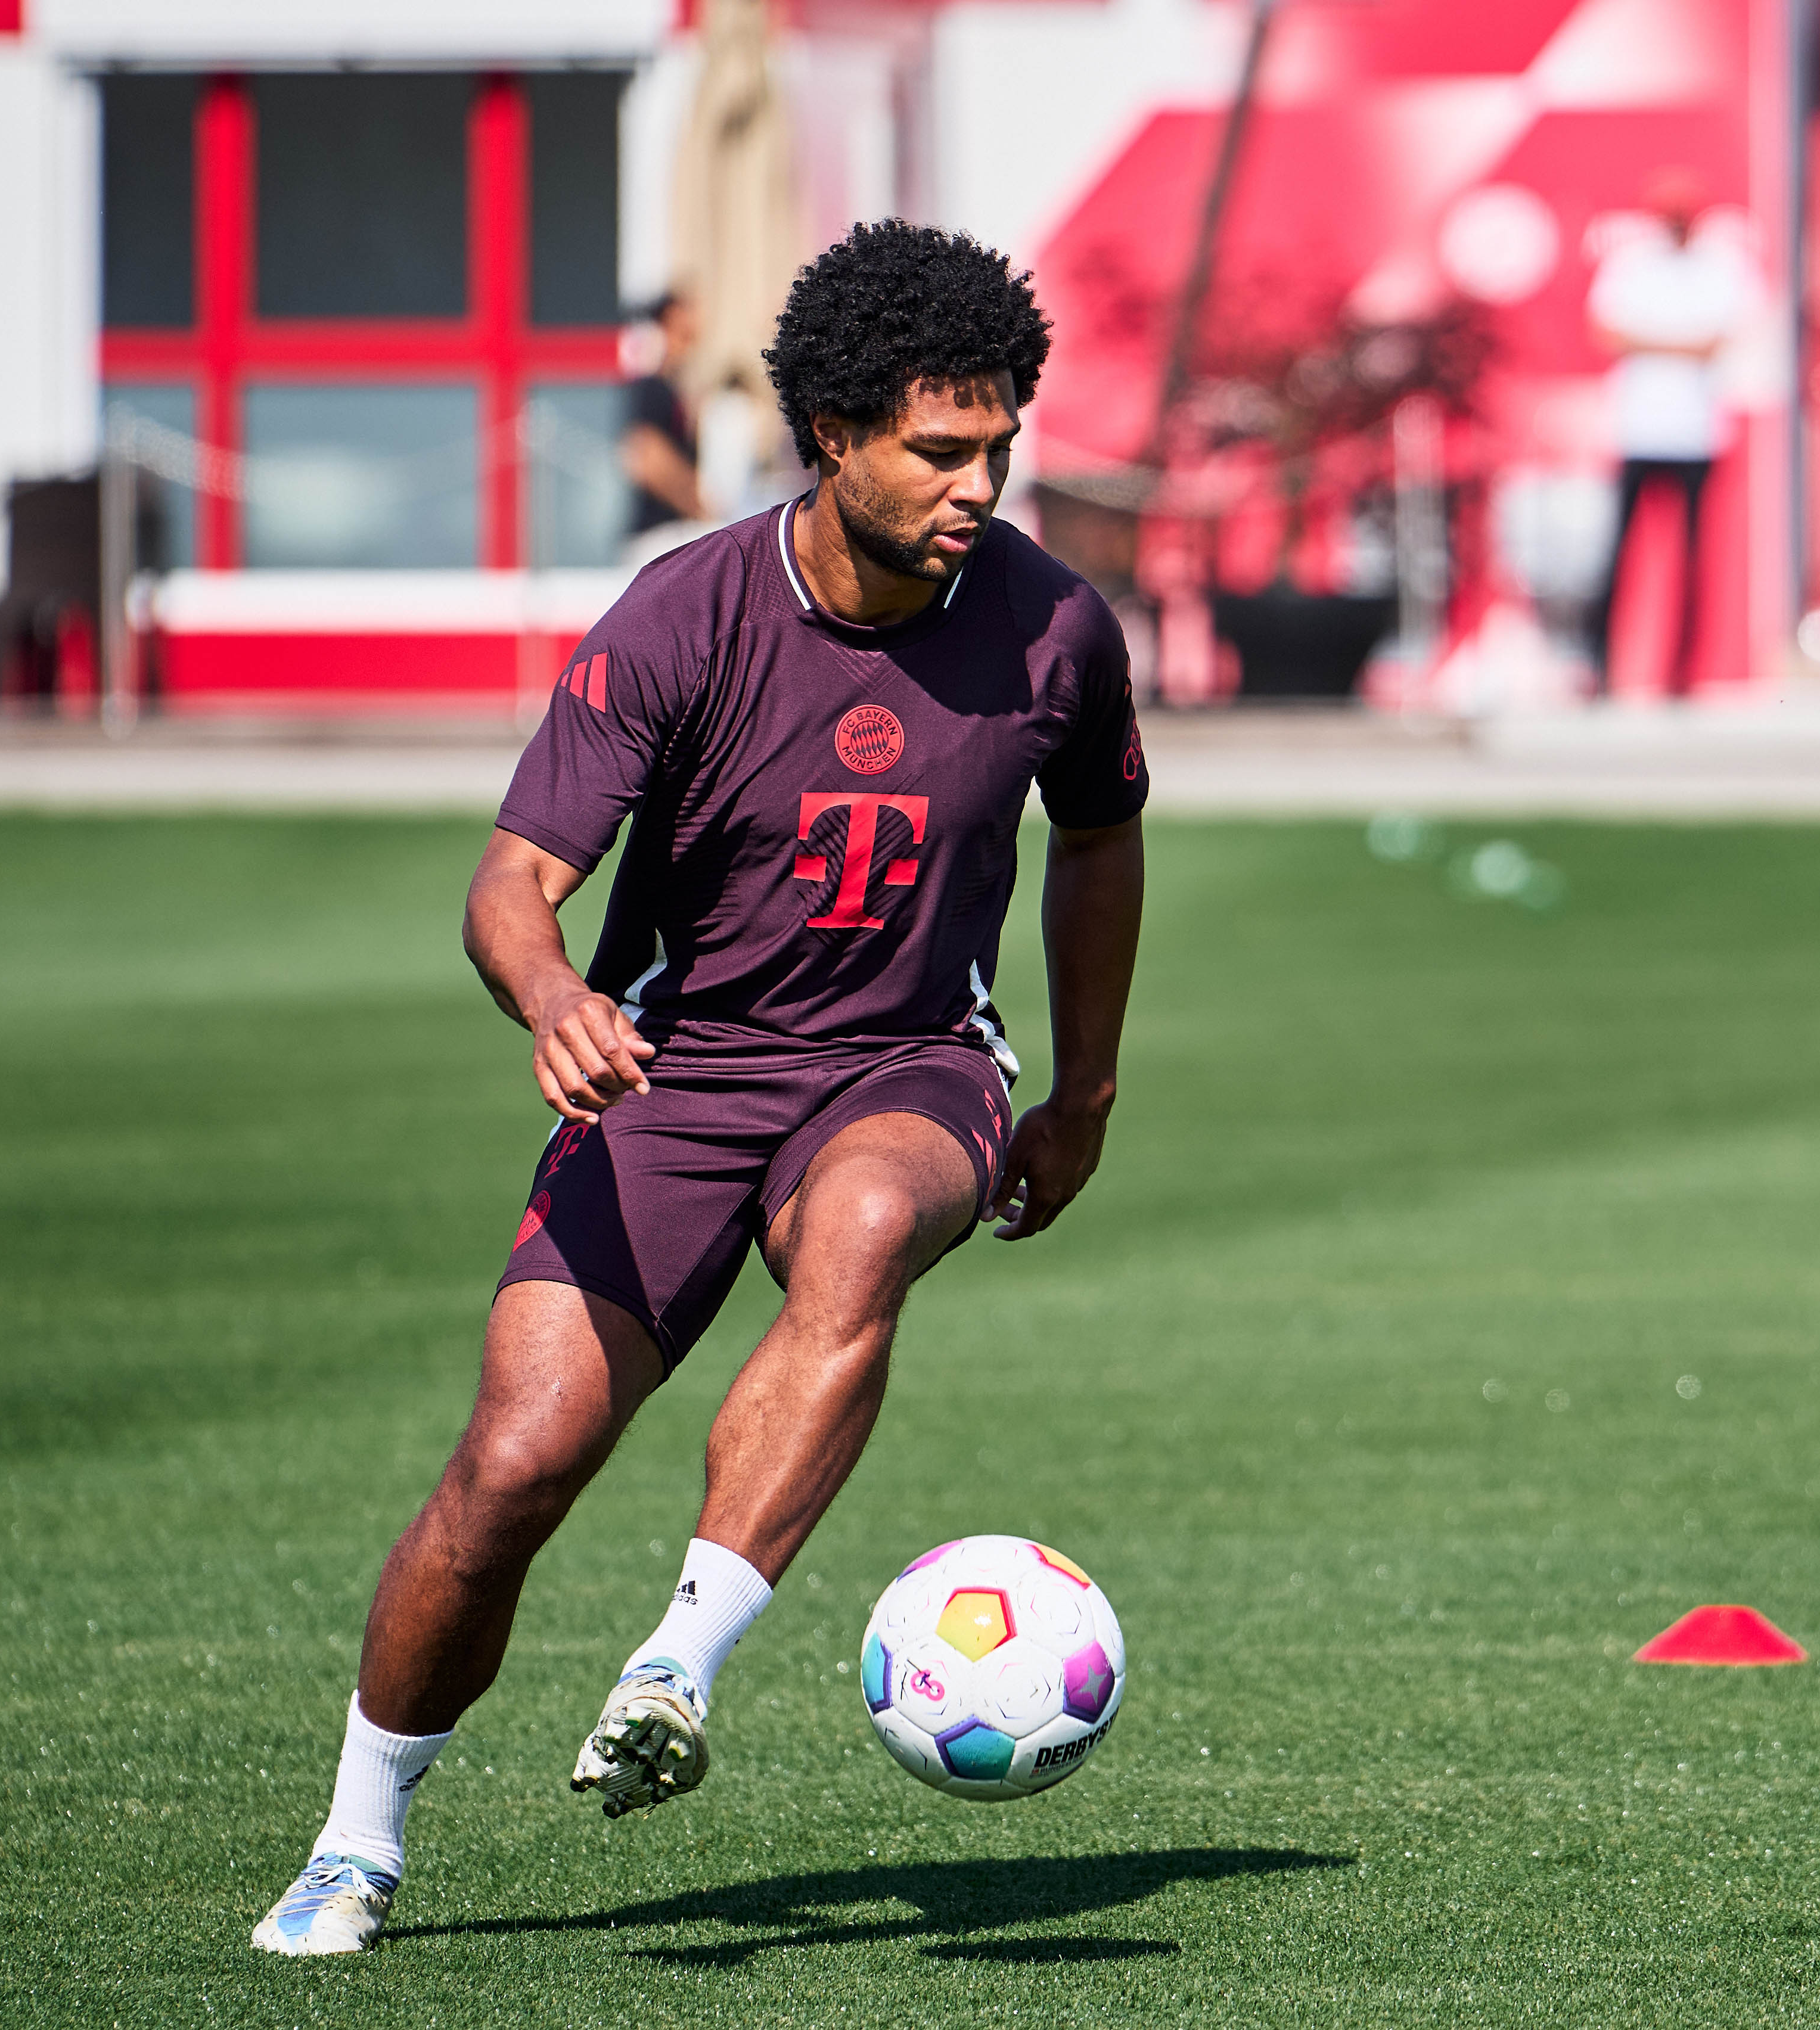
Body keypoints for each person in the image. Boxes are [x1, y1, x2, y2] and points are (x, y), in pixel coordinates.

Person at [252, 220, 1150, 1956]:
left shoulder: (1057, 632)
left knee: (869, 1221)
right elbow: (512, 878)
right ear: (834, 432)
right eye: (940, 450)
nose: (981, 485)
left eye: (1000, 449)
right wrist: (552, 991)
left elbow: (1101, 844)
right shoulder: (687, 610)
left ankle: (677, 1662)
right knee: (514, 1466)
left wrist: (1086, 1090)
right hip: (677, 1064)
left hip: (911, 1063)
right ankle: (357, 1841)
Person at [1584, 168, 1762, 692]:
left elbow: (1726, 336)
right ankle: (1601, 667)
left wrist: (1656, 342)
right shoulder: (1632, 264)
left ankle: (1681, 671)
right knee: (1617, 552)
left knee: (1692, 557)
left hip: (1695, 430)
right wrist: (1681, 345)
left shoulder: (1723, 264)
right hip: (1638, 428)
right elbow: (1608, 332)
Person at [620, 290, 707, 539]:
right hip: (661, 535)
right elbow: (647, 459)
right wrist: (699, 508)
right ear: (671, 318)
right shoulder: (653, 385)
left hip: (675, 530)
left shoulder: (677, 385)